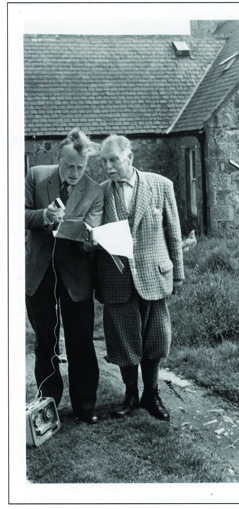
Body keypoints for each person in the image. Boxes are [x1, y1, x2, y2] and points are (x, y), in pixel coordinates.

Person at [95, 134, 184, 421]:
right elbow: (91, 236)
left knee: (155, 338)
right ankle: (130, 395)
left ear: (129, 158)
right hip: (116, 280)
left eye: (114, 160)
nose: (108, 167)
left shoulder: (160, 185)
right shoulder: (99, 193)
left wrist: (178, 274)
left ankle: (152, 394)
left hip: (153, 277)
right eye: (104, 162)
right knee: (123, 341)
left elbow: (173, 232)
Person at [25, 128, 103, 424]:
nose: (74, 173)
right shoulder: (36, 175)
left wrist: (89, 245)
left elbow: (92, 233)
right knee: (45, 342)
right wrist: (42, 216)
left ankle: (85, 404)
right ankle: (48, 405)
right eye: (69, 166)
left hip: (76, 276)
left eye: (81, 168)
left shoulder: (95, 190)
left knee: (81, 340)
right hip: (40, 273)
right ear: (59, 158)